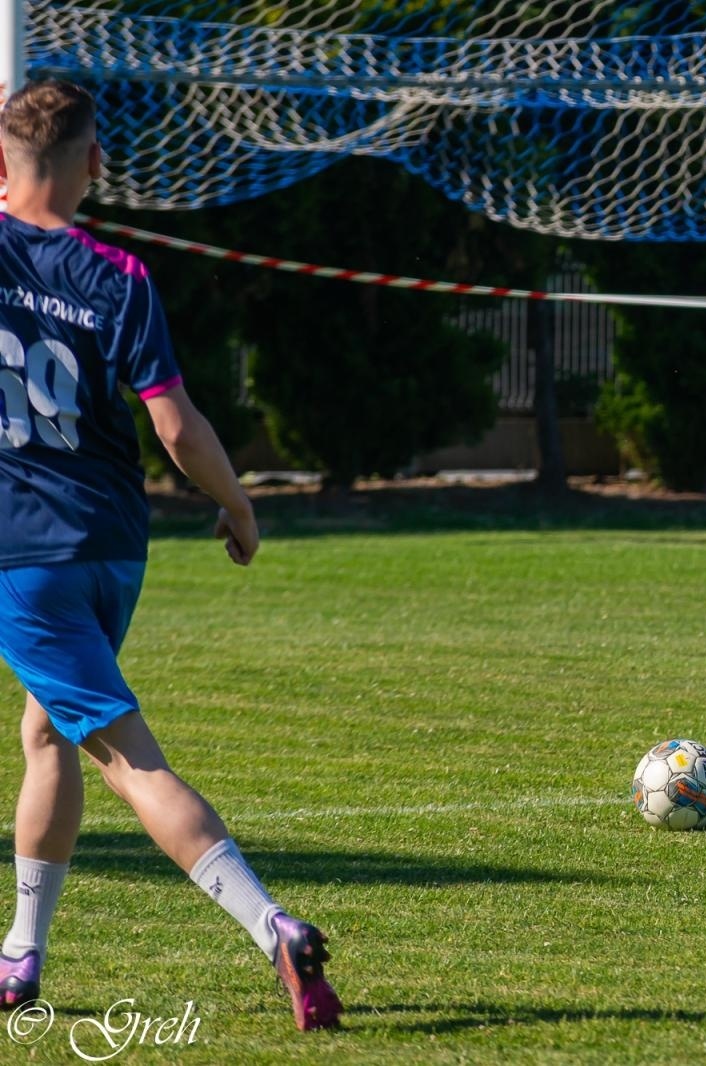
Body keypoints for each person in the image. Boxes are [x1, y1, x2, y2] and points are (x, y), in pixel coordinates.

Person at [0, 79, 341, 1029]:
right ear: (95, 163)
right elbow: (176, 424)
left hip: (22, 555)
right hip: (113, 546)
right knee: (45, 734)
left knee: (129, 762)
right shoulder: (122, 275)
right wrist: (235, 503)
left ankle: (273, 924)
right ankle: (21, 954)